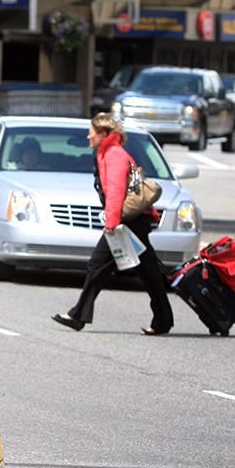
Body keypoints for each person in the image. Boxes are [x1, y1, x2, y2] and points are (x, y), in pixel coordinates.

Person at [52, 113, 174, 336]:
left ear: (103, 133)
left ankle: (78, 315)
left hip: (129, 219)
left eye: (91, 132)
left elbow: (117, 190)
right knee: (147, 270)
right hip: (135, 218)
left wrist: (111, 221)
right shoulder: (107, 152)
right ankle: (163, 319)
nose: (88, 136)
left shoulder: (114, 154)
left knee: (98, 264)